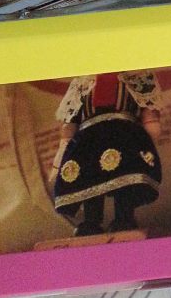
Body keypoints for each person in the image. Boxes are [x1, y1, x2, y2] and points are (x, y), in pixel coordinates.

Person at [50, 71, 162, 237]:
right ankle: (91, 221)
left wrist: (150, 134)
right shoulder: (82, 83)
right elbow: (71, 122)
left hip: (124, 137)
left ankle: (124, 218)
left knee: (124, 177)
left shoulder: (137, 77)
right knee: (89, 178)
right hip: (88, 141)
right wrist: (62, 151)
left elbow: (149, 111)